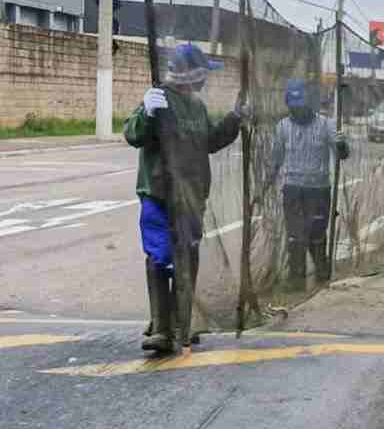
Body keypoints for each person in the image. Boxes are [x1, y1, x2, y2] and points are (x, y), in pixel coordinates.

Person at [123, 43, 246, 355]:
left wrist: (234, 119)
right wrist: (146, 113)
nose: (205, 80)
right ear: (193, 74)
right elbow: (134, 135)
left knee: (187, 256)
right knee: (160, 255)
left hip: (191, 195)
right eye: (203, 73)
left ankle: (181, 323)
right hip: (159, 192)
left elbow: (210, 142)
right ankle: (160, 327)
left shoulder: (196, 107)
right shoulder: (159, 98)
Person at [270, 79, 349, 291]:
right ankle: (296, 282)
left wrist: (342, 144)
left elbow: (342, 155)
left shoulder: (326, 125)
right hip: (293, 190)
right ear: (289, 105)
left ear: (310, 104)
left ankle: (322, 276)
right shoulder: (282, 127)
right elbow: (276, 159)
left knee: (316, 235)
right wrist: (266, 185)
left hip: (319, 191)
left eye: (302, 106)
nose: (299, 111)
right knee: (296, 237)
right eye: (294, 107)